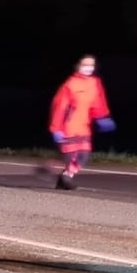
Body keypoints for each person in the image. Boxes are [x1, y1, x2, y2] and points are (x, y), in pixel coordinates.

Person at [49, 54, 114, 189]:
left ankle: (66, 176)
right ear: (78, 65)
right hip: (68, 127)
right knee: (70, 157)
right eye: (85, 64)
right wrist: (56, 128)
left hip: (84, 127)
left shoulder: (95, 83)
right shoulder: (70, 85)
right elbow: (60, 107)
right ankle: (65, 178)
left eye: (91, 65)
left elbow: (98, 103)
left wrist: (102, 117)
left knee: (83, 156)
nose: (89, 68)